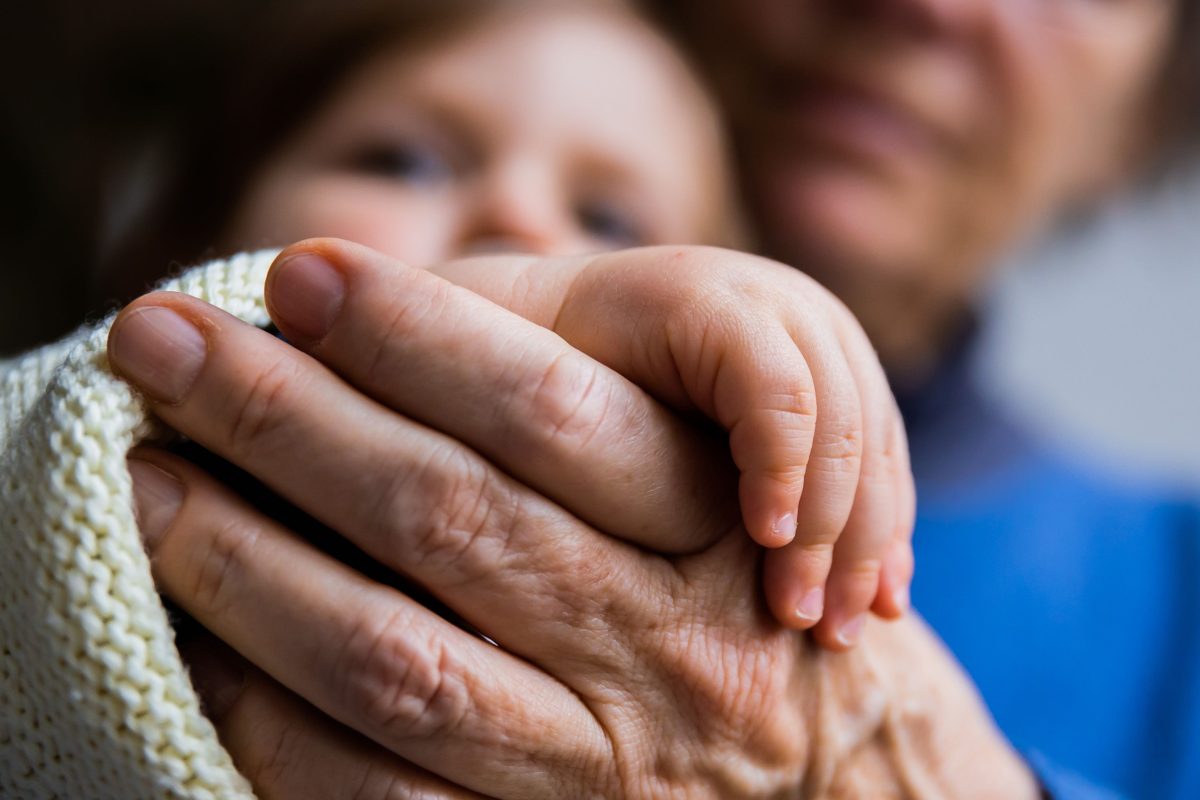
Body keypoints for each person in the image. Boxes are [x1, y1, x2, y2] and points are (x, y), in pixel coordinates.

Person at [4, 2, 972, 798]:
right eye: (404, 160)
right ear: (187, 236)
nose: (515, 214)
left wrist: (792, 352)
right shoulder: (78, 432)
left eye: (609, 219)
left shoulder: (718, 673)